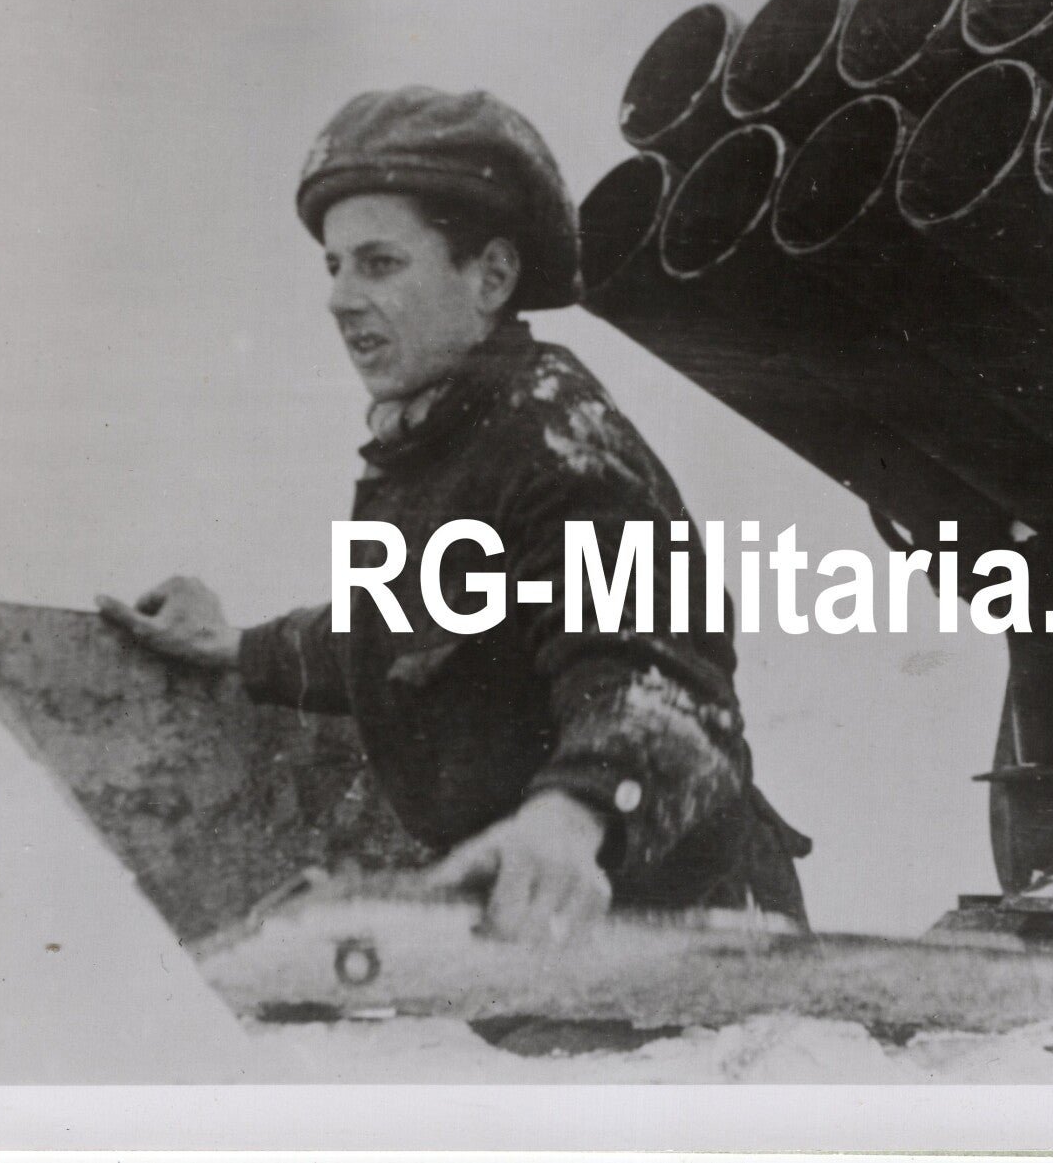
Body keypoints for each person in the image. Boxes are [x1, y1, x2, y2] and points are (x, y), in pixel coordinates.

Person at [100, 86, 808, 942]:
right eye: (334, 266)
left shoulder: (553, 434)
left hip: (675, 942)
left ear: (491, 276)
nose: (340, 298)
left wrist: (574, 814)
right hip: (538, 929)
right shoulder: (438, 442)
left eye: (379, 262)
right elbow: (400, 631)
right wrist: (238, 648)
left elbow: (658, 678)